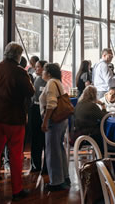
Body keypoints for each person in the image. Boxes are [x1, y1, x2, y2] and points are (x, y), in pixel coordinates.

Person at [0, 42, 35, 201]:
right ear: (18, 56)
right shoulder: (19, 72)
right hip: (14, 118)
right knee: (15, 155)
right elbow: (30, 92)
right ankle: (16, 190)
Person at [40, 63, 70, 191]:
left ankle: (56, 182)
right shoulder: (58, 82)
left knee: (52, 151)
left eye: (44, 71)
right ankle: (64, 177)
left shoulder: (51, 83)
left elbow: (51, 104)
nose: (42, 73)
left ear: (49, 73)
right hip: (62, 120)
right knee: (59, 148)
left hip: (54, 121)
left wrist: (45, 121)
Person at [73, 85, 107, 151]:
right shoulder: (92, 106)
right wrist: (103, 105)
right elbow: (104, 117)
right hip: (88, 135)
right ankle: (102, 153)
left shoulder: (78, 104)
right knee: (102, 129)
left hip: (77, 132)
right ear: (94, 95)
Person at [29, 60, 47, 172]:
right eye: (35, 67)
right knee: (35, 139)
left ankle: (46, 167)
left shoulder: (48, 81)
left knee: (45, 141)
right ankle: (35, 165)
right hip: (35, 110)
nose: (36, 69)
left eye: (38, 67)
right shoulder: (36, 79)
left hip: (44, 111)